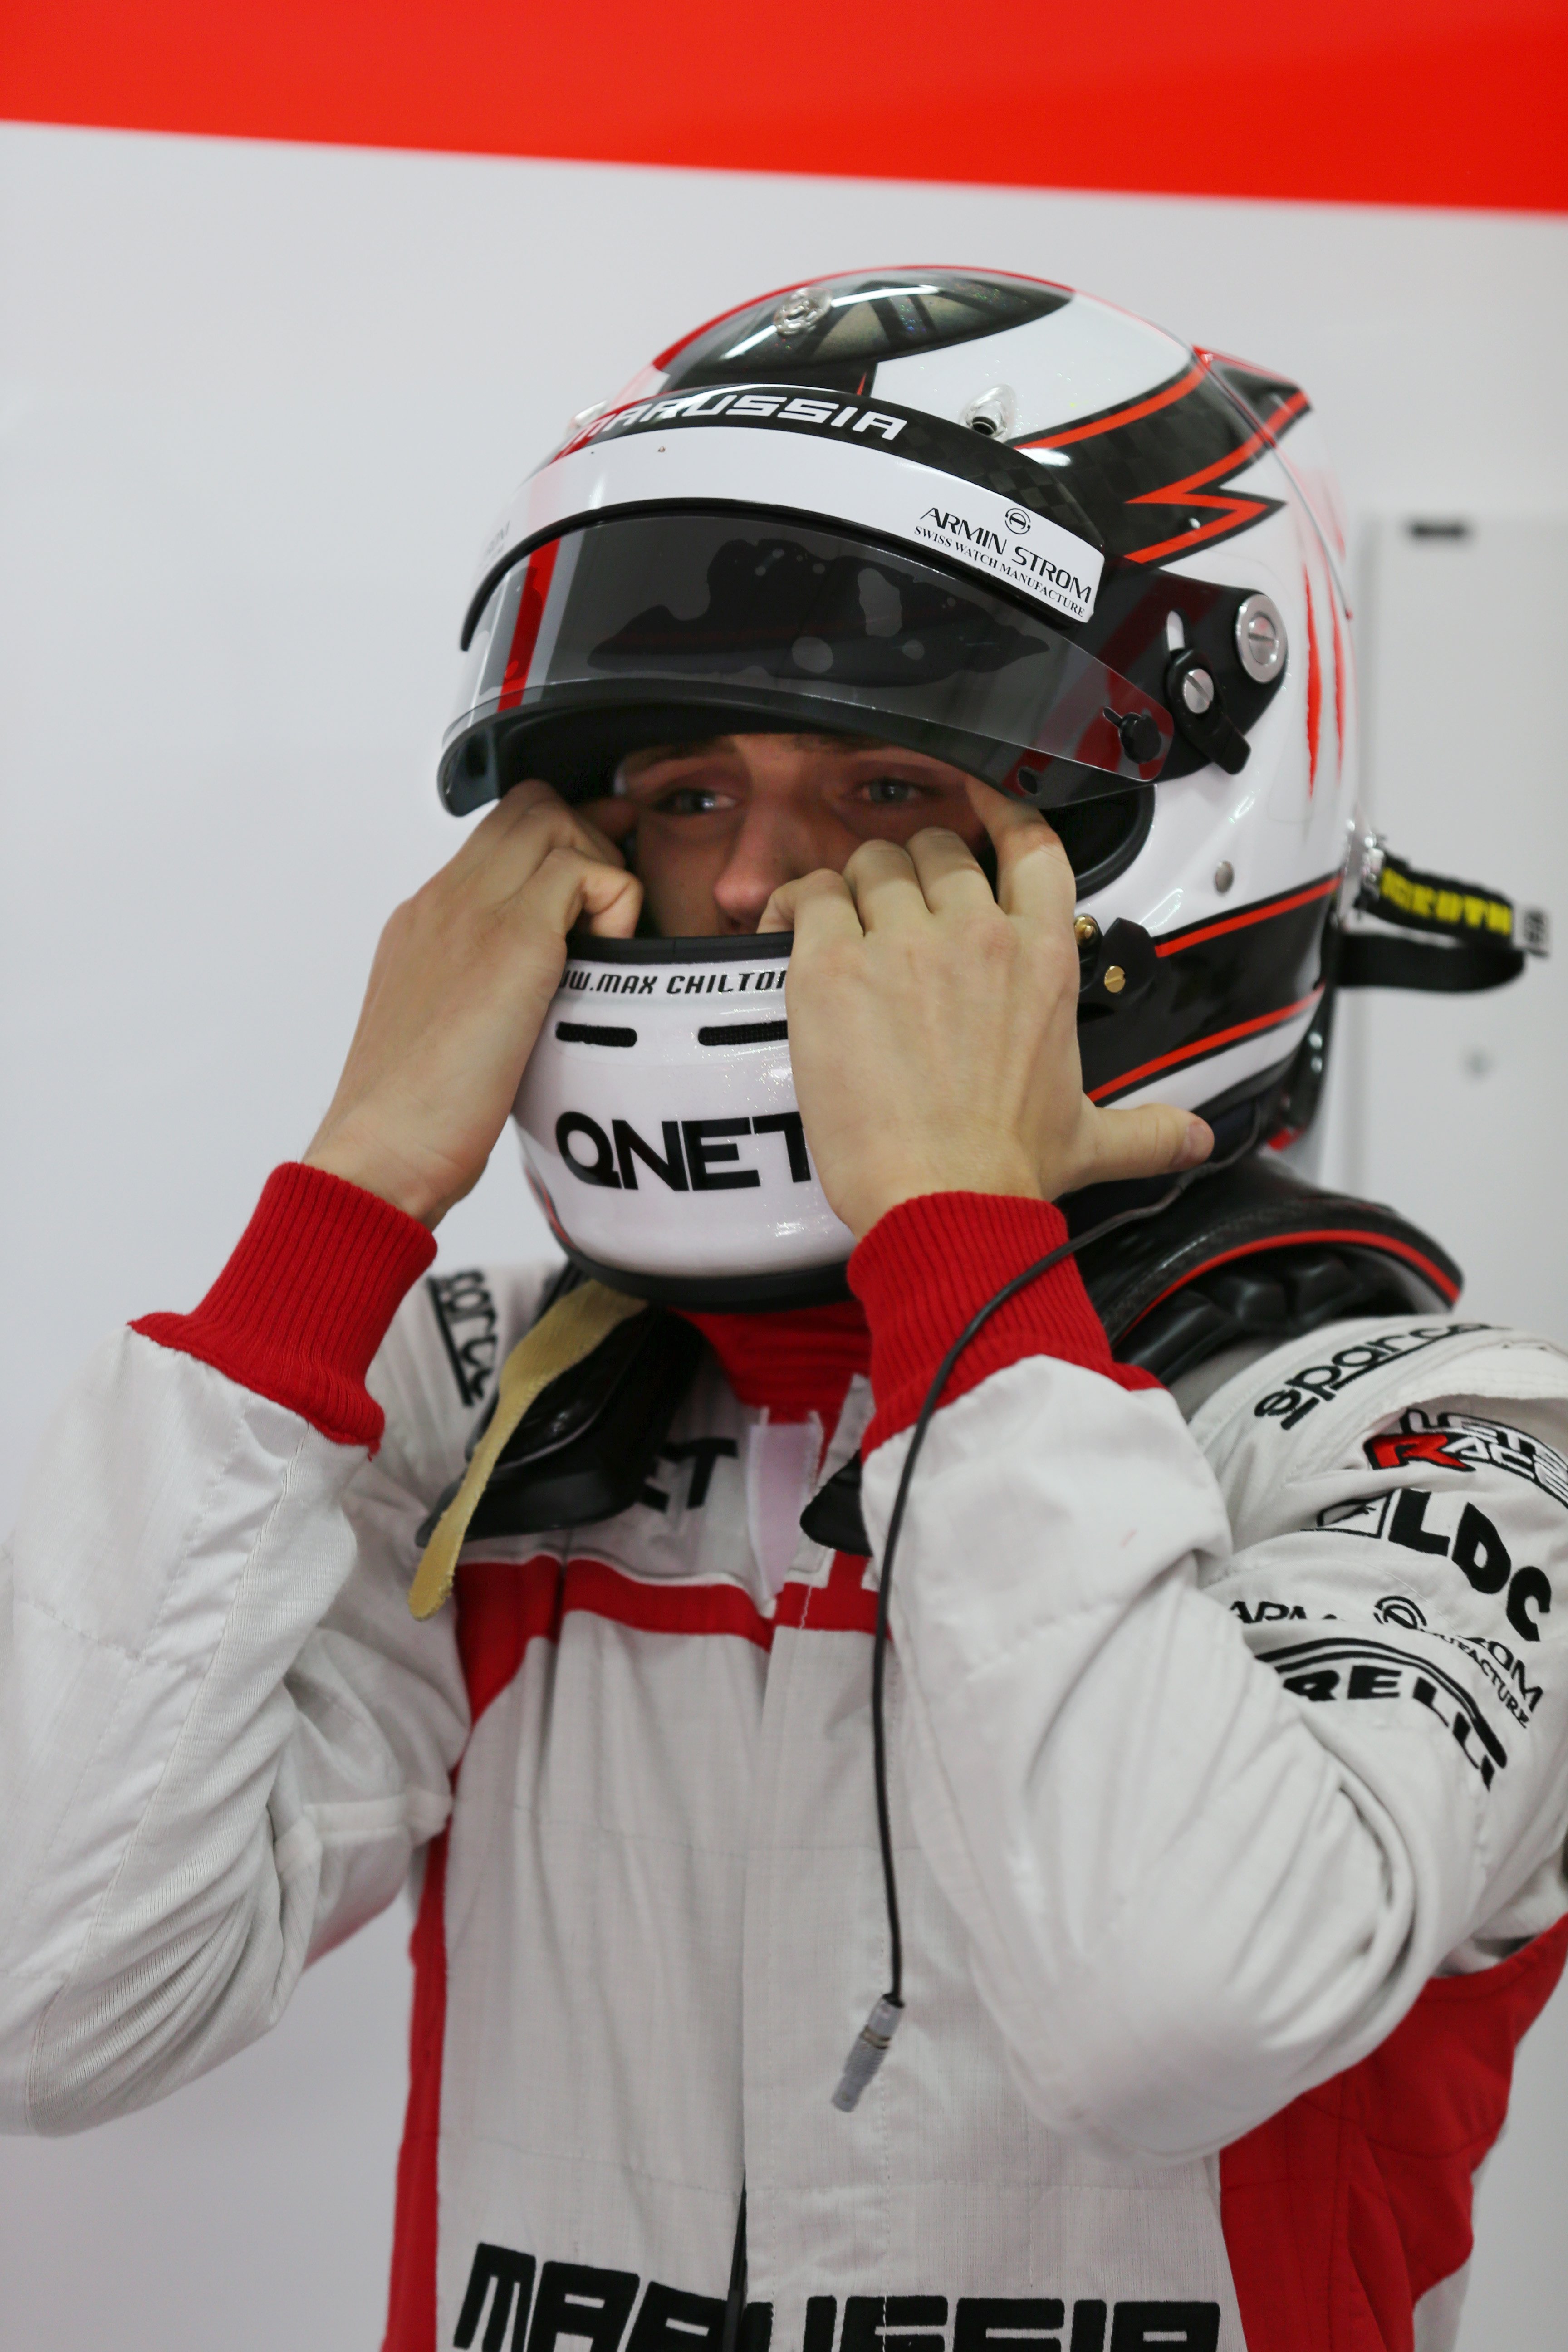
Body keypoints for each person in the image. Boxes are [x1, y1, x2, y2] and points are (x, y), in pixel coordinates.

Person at [3, 268, 1565, 2352]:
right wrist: (354, 1192)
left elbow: (1175, 2009)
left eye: (889, 794)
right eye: (688, 795)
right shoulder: (492, 1400)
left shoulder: (1439, 1438)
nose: (746, 891)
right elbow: (49, 1994)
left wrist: (954, 1234)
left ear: (1163, 857)